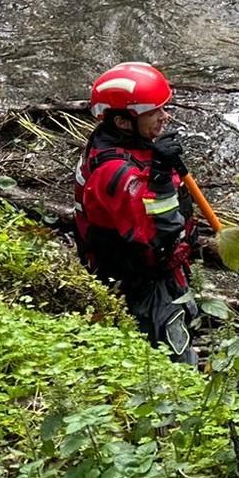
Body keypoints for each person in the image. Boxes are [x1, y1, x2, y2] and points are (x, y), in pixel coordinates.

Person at [74, 61, 199, 364]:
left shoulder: (126, 145)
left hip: (160, 275)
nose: (164, 117)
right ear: (123, 122)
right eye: (154, 112)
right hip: (142, 288)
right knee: (176, 362)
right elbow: (160, 233)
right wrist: (159, 175)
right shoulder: (114, 172)